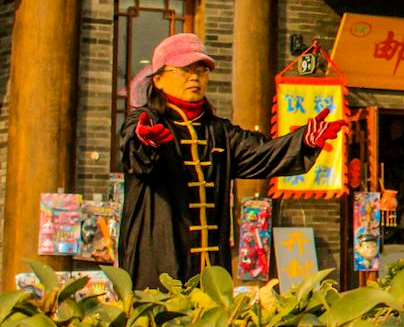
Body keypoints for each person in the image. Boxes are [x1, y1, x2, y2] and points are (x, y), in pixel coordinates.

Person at [116, 32, 346, 291]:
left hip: (210, 269)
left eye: (201, 70)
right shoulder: (146, 122)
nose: (195, 77)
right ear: (158, 79)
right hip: (157, 261)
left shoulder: (219, 132)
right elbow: (134, 151)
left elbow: (263, 152)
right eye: (185, 70)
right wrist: (145, 143)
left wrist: (304, 140)